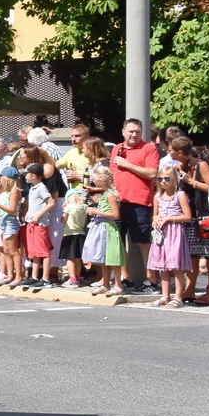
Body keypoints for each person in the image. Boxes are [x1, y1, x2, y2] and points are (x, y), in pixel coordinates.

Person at [170, 136, 209, 305]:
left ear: (180, 152)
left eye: (171, 150)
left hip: (206, 214)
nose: (168, 152)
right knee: (192, 255)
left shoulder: (202, 165)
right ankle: (190, 289)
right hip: (191, 215)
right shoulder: (180, 166)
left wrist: (191, 182)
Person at [109, 118, 160, 293]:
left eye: (137, 131)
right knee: (119, 241)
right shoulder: (117, 148)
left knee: (143, 242)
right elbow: (112, 174)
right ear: (123, 132)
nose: (134, 134)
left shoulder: (148, 148)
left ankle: (151, 280)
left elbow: (152, 173)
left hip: (139, 202)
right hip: (118, 202)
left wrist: (127, 165)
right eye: (130, 131)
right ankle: (126, 278)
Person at [148, 166, 193, 307]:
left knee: (176, 265)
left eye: (167, 178)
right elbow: (155, 213)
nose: (163, 182)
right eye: (160, 179)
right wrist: (155, 219)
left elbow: (188, 216)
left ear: (174, 179)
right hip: (161, 233)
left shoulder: (180, 195)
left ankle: (178, 296)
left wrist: (169, 218)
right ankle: (165, 295)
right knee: (163, 266)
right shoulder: (157, 196)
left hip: (174, 232)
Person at [81, 167, 124, 295]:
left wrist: (96, 211)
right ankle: (105, 284)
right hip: (101, 228)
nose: (93, 182)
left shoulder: (110, 195)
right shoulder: (105, 193)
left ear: (100, 180)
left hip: (109, 228)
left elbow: (115, 214)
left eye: (95, 179)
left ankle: (118, 286)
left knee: (113, 258)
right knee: (103, 259)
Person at [20, 163, 57, 288]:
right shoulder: (33, 188)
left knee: (44, 251)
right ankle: (35, 276)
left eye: (27, 174)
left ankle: (45, 278)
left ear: (34, 175)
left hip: (40, 224)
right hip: (32, 223)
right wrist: (29, 214)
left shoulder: (41, 188)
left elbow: (51, 203)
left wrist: (38, 215)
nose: (25, 177)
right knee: (34, 251)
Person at [0, 168, 22, 286]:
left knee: (13, 251)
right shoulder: (5, 192)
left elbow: (12, 210)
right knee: (6, 250)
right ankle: (10, 275)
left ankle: (18, 275)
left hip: (10, 222)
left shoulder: (14, 192)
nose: (1, 180)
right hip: (3, 222)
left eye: (2, 177)